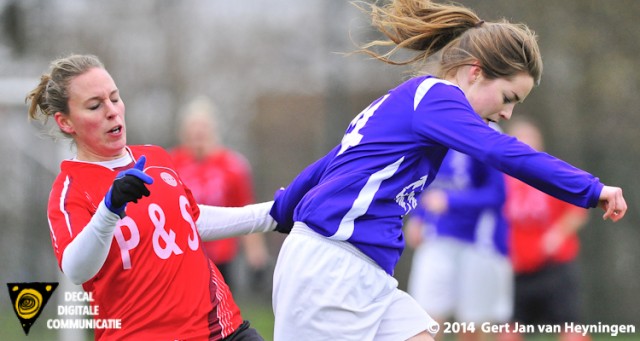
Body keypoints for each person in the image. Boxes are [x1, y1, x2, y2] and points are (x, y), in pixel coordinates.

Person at [268, 1, 627, 340]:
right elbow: (504, 151)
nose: (507, 115)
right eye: (508, 98)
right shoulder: (436, 98)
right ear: (476, 73)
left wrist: (279, 212)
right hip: (330, 268)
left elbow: (329, 166)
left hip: (366, 272)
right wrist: (591, 189)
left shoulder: (422, 104)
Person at [26, 54, 278, 341]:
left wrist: (271, 215)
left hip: (222, 330)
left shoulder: (156, 157)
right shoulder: (69, 189)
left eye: (114, 98)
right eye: (95, 105)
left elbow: (190, 221)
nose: (112, 111)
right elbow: (76, 269)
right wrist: (109, 210)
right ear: (66, 122)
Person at [405, 124, 512, 341]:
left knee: (471, 326)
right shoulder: (435, 123)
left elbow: (497, 194)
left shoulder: (488, 132)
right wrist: (417, 218)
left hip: (478, 244)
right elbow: (426, 180)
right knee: (424, 321)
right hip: (435, 238)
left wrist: (451, 201)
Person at [503, 118, 591, 341]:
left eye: (529, 140)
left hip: (554, 265)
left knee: (571, 330)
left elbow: (577, 212)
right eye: (518, 140)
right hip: (515, 268)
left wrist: (557, 234)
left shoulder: (552, 173)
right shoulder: (500, 179)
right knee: (507, 332)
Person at [171, 96, 269, 292]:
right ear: (183, 132)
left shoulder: (232, 166)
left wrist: (256, 255)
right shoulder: (170, 164)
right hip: (181, 255)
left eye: (203, 126)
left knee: (220, 314)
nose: (198, 132)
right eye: (193, 126)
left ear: (213, 130)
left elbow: (244, 208)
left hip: (221, 255)